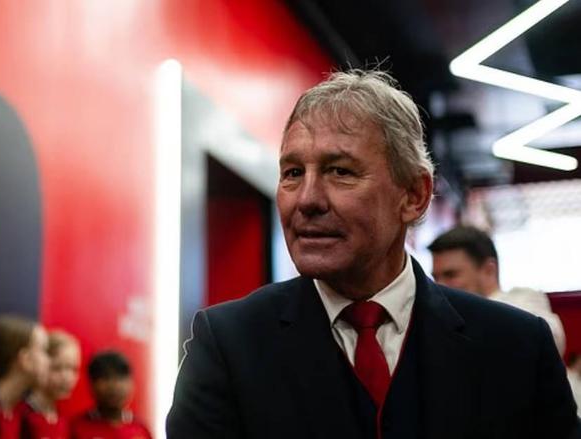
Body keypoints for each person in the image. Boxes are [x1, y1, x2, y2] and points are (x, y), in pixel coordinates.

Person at [166, 69, 580, 439]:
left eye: (340, 171)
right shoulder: (227, 346)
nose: (306, 199)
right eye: (293, 173)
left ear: (414, 195)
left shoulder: (517, 347)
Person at [428, 225, 566, 355]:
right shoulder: (439, 318)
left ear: (489, 271)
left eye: (451, 275)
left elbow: (546, 344)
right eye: (435, 277)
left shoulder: (524, 300)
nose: (439, 285)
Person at [71, 351, 151, 439]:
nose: (115, 386)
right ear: (92, 384)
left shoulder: (140, 429)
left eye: (121, 378)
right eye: (106, 378)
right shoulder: (78, 428)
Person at [21, 330, 81, 438]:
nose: (66, 377)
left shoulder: (62, 419)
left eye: (73, 369)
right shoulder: (23, 415)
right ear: (41, 364)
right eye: (57, 368)